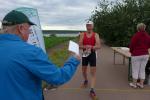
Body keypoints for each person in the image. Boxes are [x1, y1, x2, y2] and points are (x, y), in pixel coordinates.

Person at [0, 10, 80, 100]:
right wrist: (74, 60)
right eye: (29, 30)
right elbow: (58, 77)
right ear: (21, 28)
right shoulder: (30, 52)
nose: (29, 33)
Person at [79, 21, 101, 96]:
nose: (88, 27)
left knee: (93, 72)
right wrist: (85, 46)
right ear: (86, 26)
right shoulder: (82, 34)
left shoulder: (96, 35)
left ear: (93, 26)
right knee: (83, 71)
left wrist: (92, 47)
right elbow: (80, 45)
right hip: (85, 54)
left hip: (92, 54)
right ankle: (85, 80)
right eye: (87, 25)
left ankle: (92, 89)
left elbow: (99, 46)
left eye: (90, 25)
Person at [129, 23, 150, 89]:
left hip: (136, 54)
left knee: (135, 69)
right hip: (145, 54)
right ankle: (141, 84)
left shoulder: (136, 35)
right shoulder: (148, 36)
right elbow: (149, 45)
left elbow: (131, 45)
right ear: (144, 28)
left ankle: (134, 84)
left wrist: (131, 51)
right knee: (142, 70)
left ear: (138, 28)